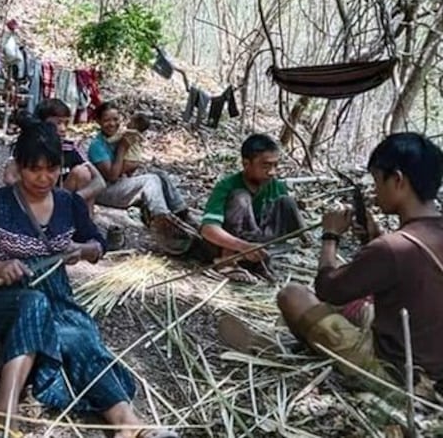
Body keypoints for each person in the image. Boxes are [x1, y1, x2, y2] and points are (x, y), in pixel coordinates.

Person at [0, 119, 178, 438]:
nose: (44, 177)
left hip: (57, 297)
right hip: (1, 298)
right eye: (35, 169)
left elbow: (98, 243)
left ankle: (127, 424)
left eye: (52, 169)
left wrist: (83, 249)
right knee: (34, 303)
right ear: (19, 167)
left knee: (79, 336)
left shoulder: (69, 204)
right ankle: (3, 419)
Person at [276, 133, 443, 400]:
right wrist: (374, 242)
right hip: (432, 366)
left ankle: (320, 350)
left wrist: (331, 236)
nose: (375, 191)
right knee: (354, 303)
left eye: (378, 180)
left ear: (397, 180)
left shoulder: (393, 248)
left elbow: (327, 289)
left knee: (292, 296)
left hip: (402, 379)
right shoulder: (397, 244)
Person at [88, 102, 197, 255]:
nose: (112, 124)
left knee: (160, 175)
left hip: (120, 183)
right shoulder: (97, 145)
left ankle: (182, 213)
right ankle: (161, 219)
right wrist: (123, 148)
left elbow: (126, 170)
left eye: (116, 119)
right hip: (105, 190)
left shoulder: (121, 137)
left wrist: (129, 161)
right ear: (98, 122)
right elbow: (112, 176)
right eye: (107, 120)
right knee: (150, 179)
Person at [199, 133, 304, 281]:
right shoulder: (227, 185)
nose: (272, 172)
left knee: (287, 202)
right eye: (266, 166)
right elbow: (208, 229)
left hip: (256, 245)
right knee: (241, 198)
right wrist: (243, 247)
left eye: (275, 165)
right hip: (229, 246)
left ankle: (260, 263)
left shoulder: (275, 185)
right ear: (246, 164)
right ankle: (227, 263)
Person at [3, 98, 105, 213]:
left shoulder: (69, 147)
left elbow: (99, 182)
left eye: (66, 123)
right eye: (58, 123)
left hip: (62, 200)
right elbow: (9, 178)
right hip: (34, 202)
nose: (63, 129)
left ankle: (85, 224)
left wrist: (73, 198)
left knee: (83, 172)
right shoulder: (27, 146)